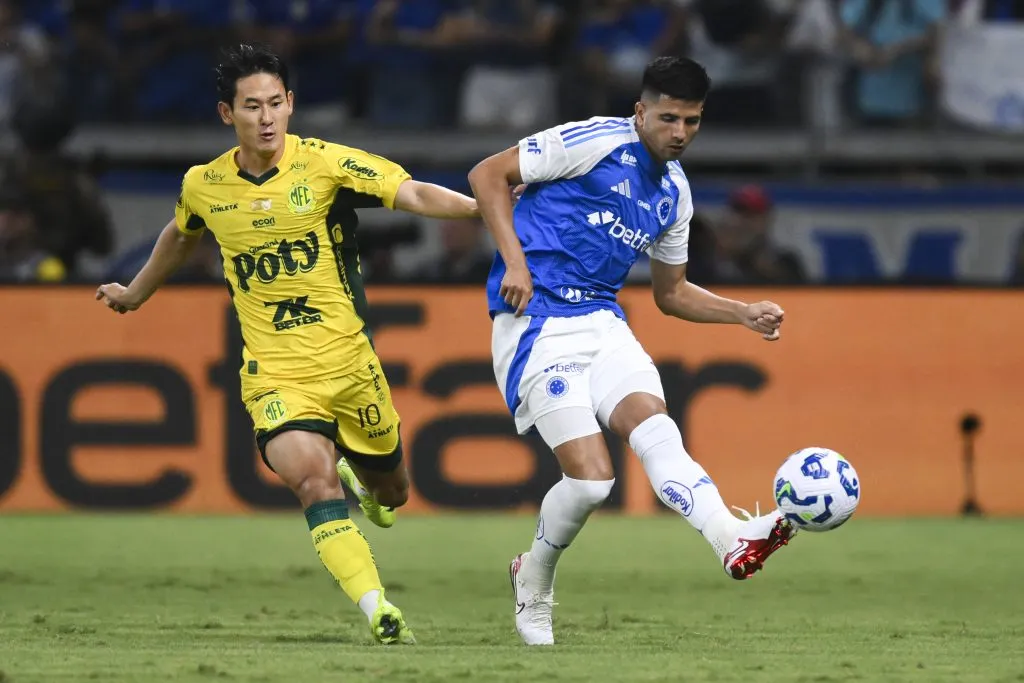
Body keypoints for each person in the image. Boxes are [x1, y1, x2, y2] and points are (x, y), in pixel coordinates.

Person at [95, 43, 480, 645]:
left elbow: (415, 194)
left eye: (276, 103)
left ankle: (366, 476)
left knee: (392, 491)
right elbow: (180, 232)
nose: (267, 117)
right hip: (275, 373)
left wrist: (485, 210)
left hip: (350, 364)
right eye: (252, 106)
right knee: (312, 481)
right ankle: (377, 606)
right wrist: (137, 292)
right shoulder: (205, 184)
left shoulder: (325, 164)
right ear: (228, 115)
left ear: (292, 104)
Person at [467, 56, 794, 647]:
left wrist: (742, 313)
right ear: (640, 112)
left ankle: (731, 539)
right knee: (592, 483)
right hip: (537, 322)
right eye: (669, 118)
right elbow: (488, 174)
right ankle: (532, 578)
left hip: (601, 320)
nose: (680, 133)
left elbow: (671, 294)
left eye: (692, 122)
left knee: (656, 429)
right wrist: (514, 261)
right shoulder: (594, 141)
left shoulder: (675, 194)